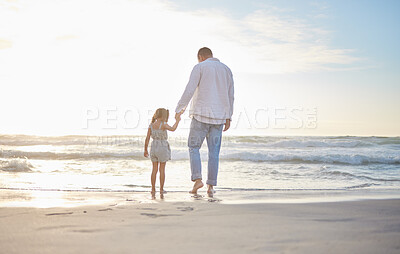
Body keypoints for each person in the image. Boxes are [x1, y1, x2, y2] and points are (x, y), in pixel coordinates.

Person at [175, 47, 234, 196]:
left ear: (200, 56)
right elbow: (231, 95)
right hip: (219, 117)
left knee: (193, 147)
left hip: (200, 115)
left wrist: (179, 109)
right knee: (214, 152)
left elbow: (190, 89)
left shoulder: (200, 67)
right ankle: (211, 187)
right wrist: (229, 116)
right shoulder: (226, 70)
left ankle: (197, 180)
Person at [144, 108, 181, 194]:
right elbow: (173, 128)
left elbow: (147, 138)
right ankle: (161, 189)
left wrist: (145, 149)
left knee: (154, 169)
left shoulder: (151, 125)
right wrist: (177, 121)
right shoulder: (163, 124)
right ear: (163, 116)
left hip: (153, 147)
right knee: (162, 169)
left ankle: (153, 189)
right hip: (162, 147)